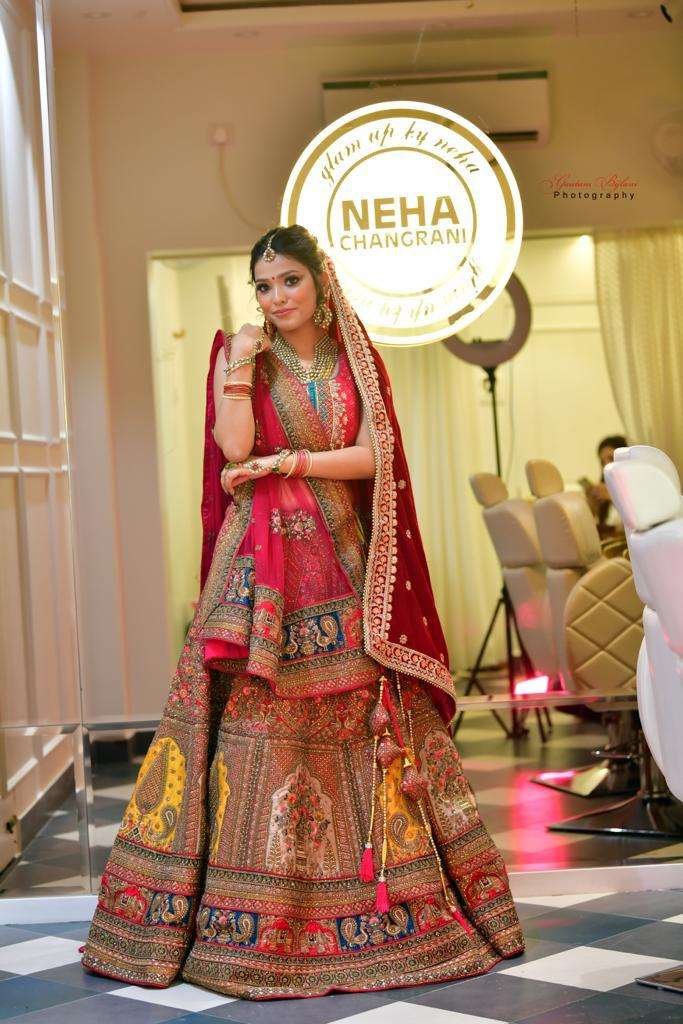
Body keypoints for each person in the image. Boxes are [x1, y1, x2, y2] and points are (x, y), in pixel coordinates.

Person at [80, 225, 524, 999]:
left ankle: (391, 912)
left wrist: (289, 462)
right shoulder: (242, 354)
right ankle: (247, 921)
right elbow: (232, 448)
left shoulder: (357, 358)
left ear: (319, 280)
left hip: (345, 560)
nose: (276, 296)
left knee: (360, 726)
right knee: (252, 727)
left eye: (288, 280)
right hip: (259, 577)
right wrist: (239, 364)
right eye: (263, 284)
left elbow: (373, 456)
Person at [579, 434, 627, 541]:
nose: (606, 465)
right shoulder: (604, 490)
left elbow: (637, 526)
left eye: (611, 459)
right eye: (602, 462)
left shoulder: (635, 490)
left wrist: (614, 497)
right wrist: (591, 507)